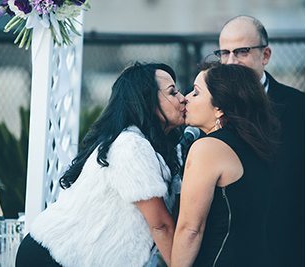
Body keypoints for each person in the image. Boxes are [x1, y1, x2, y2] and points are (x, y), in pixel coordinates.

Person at [16, 63, 187, 266]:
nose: (183, 97)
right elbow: (161, 226)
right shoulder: (130, 145)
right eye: (173, 92)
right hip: (52, 257)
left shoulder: (163, 147)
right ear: (147, 100)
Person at [217, 15, 305, 265]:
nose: (231, 62)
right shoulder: (208, 106)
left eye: (241, 52)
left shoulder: (300, 107)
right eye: (224, 53)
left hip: (287, 249)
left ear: (265, 55)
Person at [170, 62, 278, 266]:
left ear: (219, 108)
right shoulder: (256, 145)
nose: (185, 98)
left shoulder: (208, 148)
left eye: (196, 92)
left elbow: (190, 229)